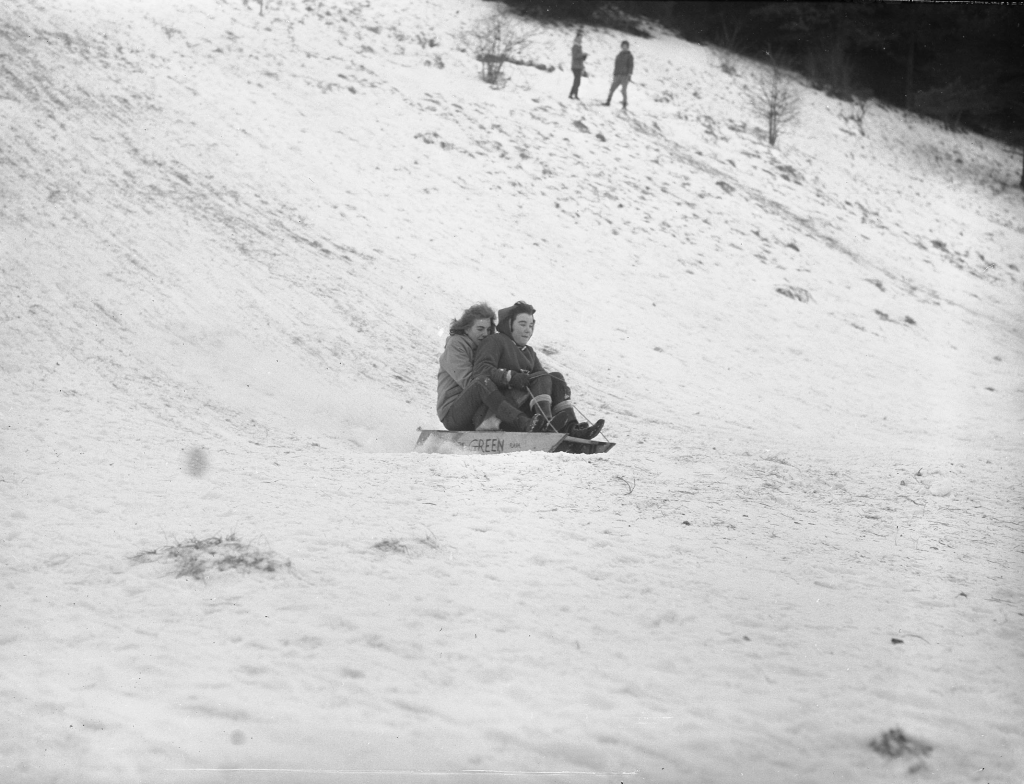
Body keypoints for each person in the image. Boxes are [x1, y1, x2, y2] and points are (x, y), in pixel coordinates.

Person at [471, 301, 604, 439]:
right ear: (508, 325)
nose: (528, 330)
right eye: (522, 324)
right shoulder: (495, 341)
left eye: (531, 325)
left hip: (522, 411)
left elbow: (543, 380)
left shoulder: (529, 352)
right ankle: (545, 423)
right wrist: (509, 377)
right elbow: (481, 370)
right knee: (542, 377)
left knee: (555, 378)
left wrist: (560, 390)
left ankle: (571, 427)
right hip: (498, 411)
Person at [436, 303, 543, 433]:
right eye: (480, 329)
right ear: (466, 328)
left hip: (478, 411)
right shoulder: (456, 346)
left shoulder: (482, 347)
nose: (485, 334)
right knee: (481, 382)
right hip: (454, 413)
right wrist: (506, 378)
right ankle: (521, 422)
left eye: (488, 329)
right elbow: (470, 382)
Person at [604, 40, 633, 108]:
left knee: (623, 91)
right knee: (612, 88)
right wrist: (615, 74)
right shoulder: (619, 55)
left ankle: (624, 104)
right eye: (623, 46)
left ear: (628, 47)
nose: (624, 47)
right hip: (617, 75)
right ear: (621, 46)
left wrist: (629, 74)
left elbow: (631, 65)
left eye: (626, 46)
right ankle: (608, 101)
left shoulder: (629, 56)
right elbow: (616, 65)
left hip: (625, 76)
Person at [569, 29, 587, 100]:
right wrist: (582, 55)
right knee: (577, 81)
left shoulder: (579, 47)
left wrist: (584, 57)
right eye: (579, 38)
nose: (580, 40)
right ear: (576, 39)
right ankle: (573, 95)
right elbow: (575, 56)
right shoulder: (575, 47)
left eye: (581, 38)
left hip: (579, 66)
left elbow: (580, 58)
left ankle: (573, 95)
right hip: (575, 66)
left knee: (577, 81)